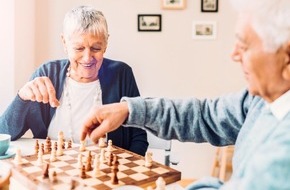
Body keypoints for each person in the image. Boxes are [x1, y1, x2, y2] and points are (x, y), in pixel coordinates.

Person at [80, 0, 290, 189]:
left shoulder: (283, 150)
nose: (234, 54)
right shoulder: (259, 101)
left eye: (244, 45)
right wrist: (128, 110)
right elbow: (205, 116)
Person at [0, 5, 148, 156]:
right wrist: (21, 98)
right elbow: (4, 133)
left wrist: (124, 171)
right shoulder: (47, 73)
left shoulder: (121, 74)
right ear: (64, 43)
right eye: (78, 48)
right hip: (53, 170)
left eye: (96, 48)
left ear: (106, 43)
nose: (87, 58)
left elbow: (138, 137)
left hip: (106, 173)